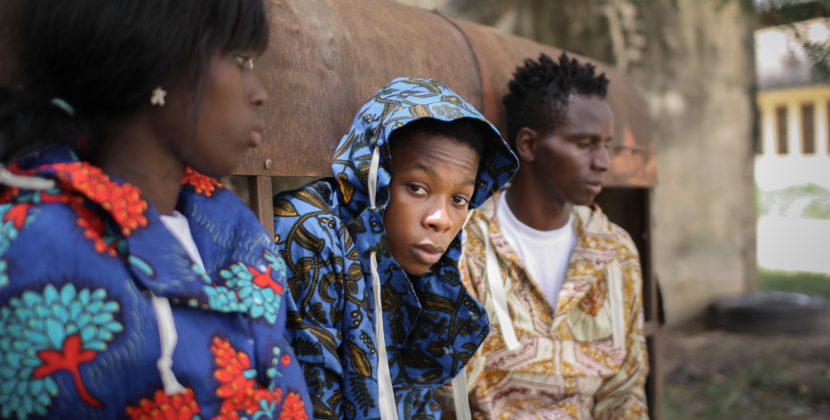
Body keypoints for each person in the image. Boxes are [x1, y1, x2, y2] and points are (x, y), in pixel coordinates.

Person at [0, 1, 312, 419]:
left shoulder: (241, 240)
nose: (260, 93)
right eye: (240, 60)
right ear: (159, 59)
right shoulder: (32, 246)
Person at [273, 78, 519, 420]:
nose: (440, 220)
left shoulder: (427, 263)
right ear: (375, 176)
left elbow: (417, 404)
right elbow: (311, 403)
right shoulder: (311, 235)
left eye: (459, 199)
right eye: (417, 188)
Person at [456, 53, 649, 419]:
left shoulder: (615, 250)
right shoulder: (465, 244)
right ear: (528, 145)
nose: (603, 162)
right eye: (585, 143)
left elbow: (626, 389)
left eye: (605, 144)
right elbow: (448, 394)